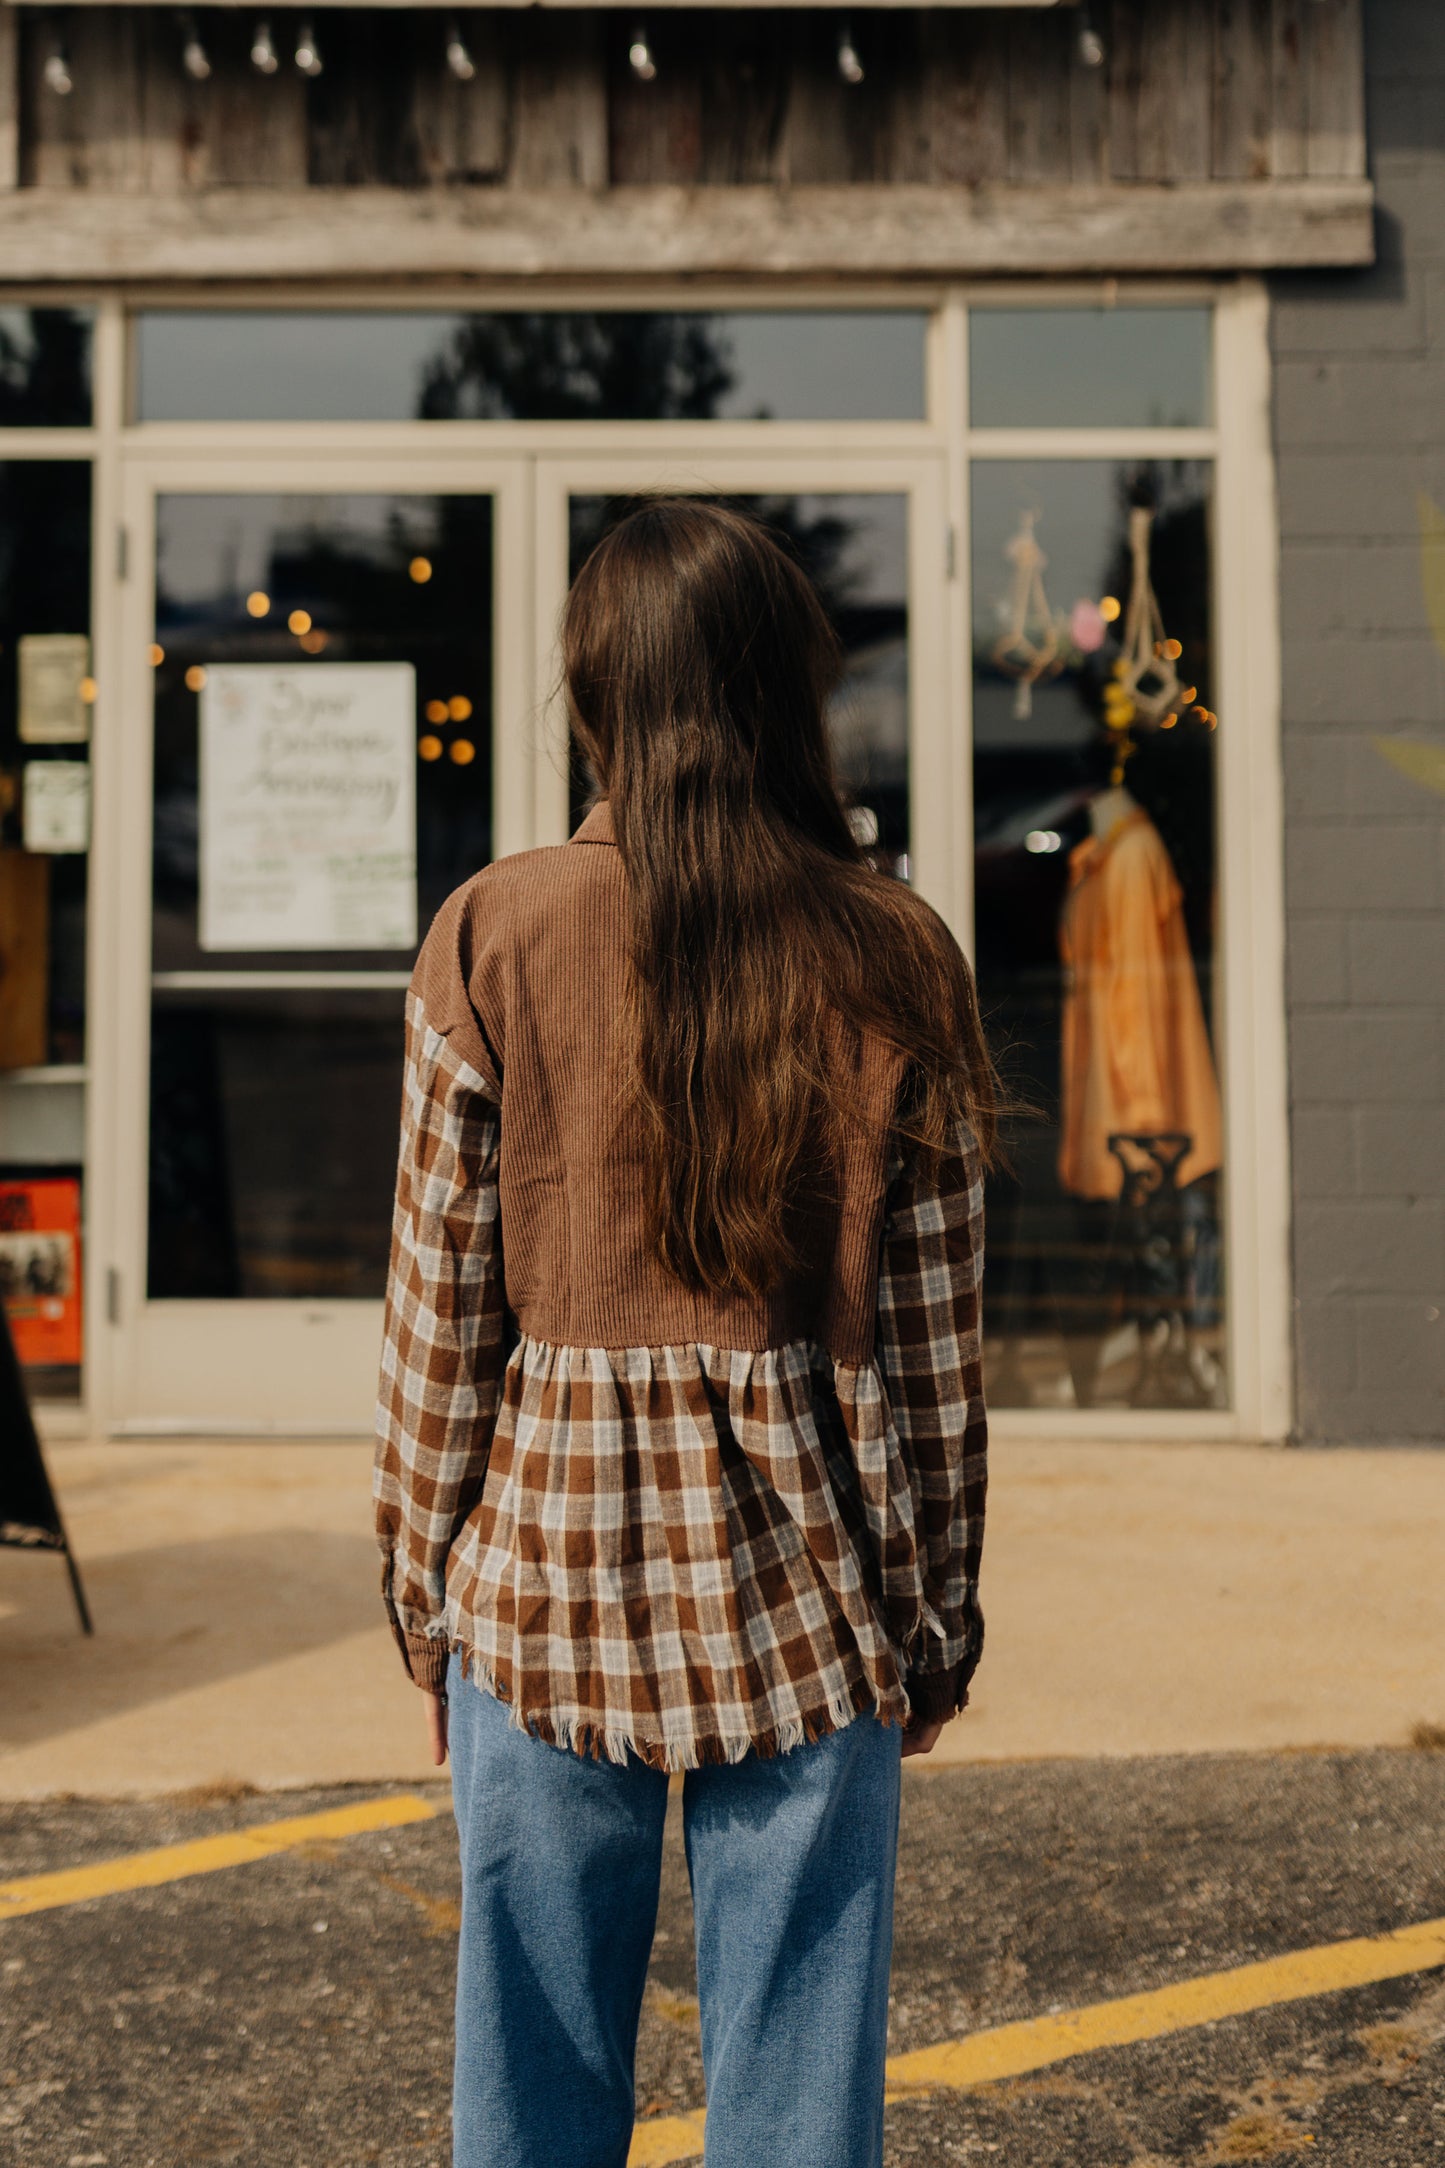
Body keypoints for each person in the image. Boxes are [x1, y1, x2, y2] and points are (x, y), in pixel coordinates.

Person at [374, 497, 996, 2168]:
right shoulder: (894, 952)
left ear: (593, 696)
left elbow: (439, 1330)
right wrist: (933, 1623)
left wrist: (425, 1605)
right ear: (793, 692)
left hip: (541, 1589)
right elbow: (934, 1358)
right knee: (800, 2101)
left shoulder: (493, 933)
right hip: (812, 1589)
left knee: (528, 2083)